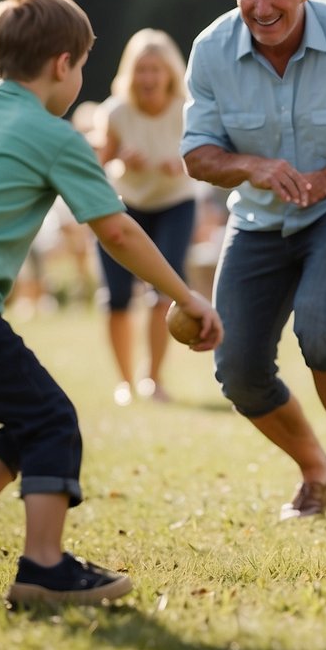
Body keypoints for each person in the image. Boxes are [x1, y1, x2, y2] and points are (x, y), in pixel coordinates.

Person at [0, 0, 222, 606]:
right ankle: (44, 568)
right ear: (63, 64)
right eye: (82, 65)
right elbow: (116, 230)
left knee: (26, 415)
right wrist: (189, 297)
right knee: (53, 419)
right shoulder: (55, 136)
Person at [181, 0, 326, 529]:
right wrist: (253, 166)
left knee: (324, 331)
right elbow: (198, 153)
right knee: (238, 368)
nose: (262, 7)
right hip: (257, 216)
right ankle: (315, 470)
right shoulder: (211, 50)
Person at [93, 29, 199, 405]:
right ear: (130, 73)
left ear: (170, 72)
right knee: (117, 296)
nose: (149, 78)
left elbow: (205, 158)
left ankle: (152, 378)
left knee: (164, 292)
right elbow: (97, 163)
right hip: (125, 205)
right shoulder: (115, 112)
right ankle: (124, 382)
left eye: (156, 69)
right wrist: (121, 158)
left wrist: (184, 163)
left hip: (175, 204)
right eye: (142, 70)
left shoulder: (186, 110)